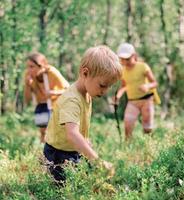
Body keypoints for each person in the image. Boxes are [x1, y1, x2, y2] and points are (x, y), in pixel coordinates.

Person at [43, 45, 122, 186]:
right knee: (63, 189)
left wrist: (85, 141)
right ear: (85, 73)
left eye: (109, 87)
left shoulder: (86, 94)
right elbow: (72, 134)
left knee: (82, 182)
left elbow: (78, 128)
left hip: (73, 150)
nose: (105, 91)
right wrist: (96, 160)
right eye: (103, 85)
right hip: (58, 154)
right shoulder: (72, 99)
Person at [115, 43, 160, 140]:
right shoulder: (123, 71)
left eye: (127, 59)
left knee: (147, 127)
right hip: (132, 101)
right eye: (122, 59)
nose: (125, 62)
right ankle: (128, 147)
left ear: (134, 56)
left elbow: (155, 83)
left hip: (146, 100)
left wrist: (147, 86)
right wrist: (118, 96)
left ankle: (148, 145)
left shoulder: (143, 66)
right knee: (128, 124)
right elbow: (124, 86)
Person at [24, 52, 69, 143]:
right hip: (41, 105)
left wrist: (53, 92)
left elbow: (69, 90)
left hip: (56, 105)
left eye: (32, 67)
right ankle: (44, 154)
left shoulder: (51, 72)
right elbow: (27, 99)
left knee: (56, 133)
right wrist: (27, 85)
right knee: (43, 132)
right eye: (27, 67)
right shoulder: (28, 76)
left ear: (41, 66)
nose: (29, 70)